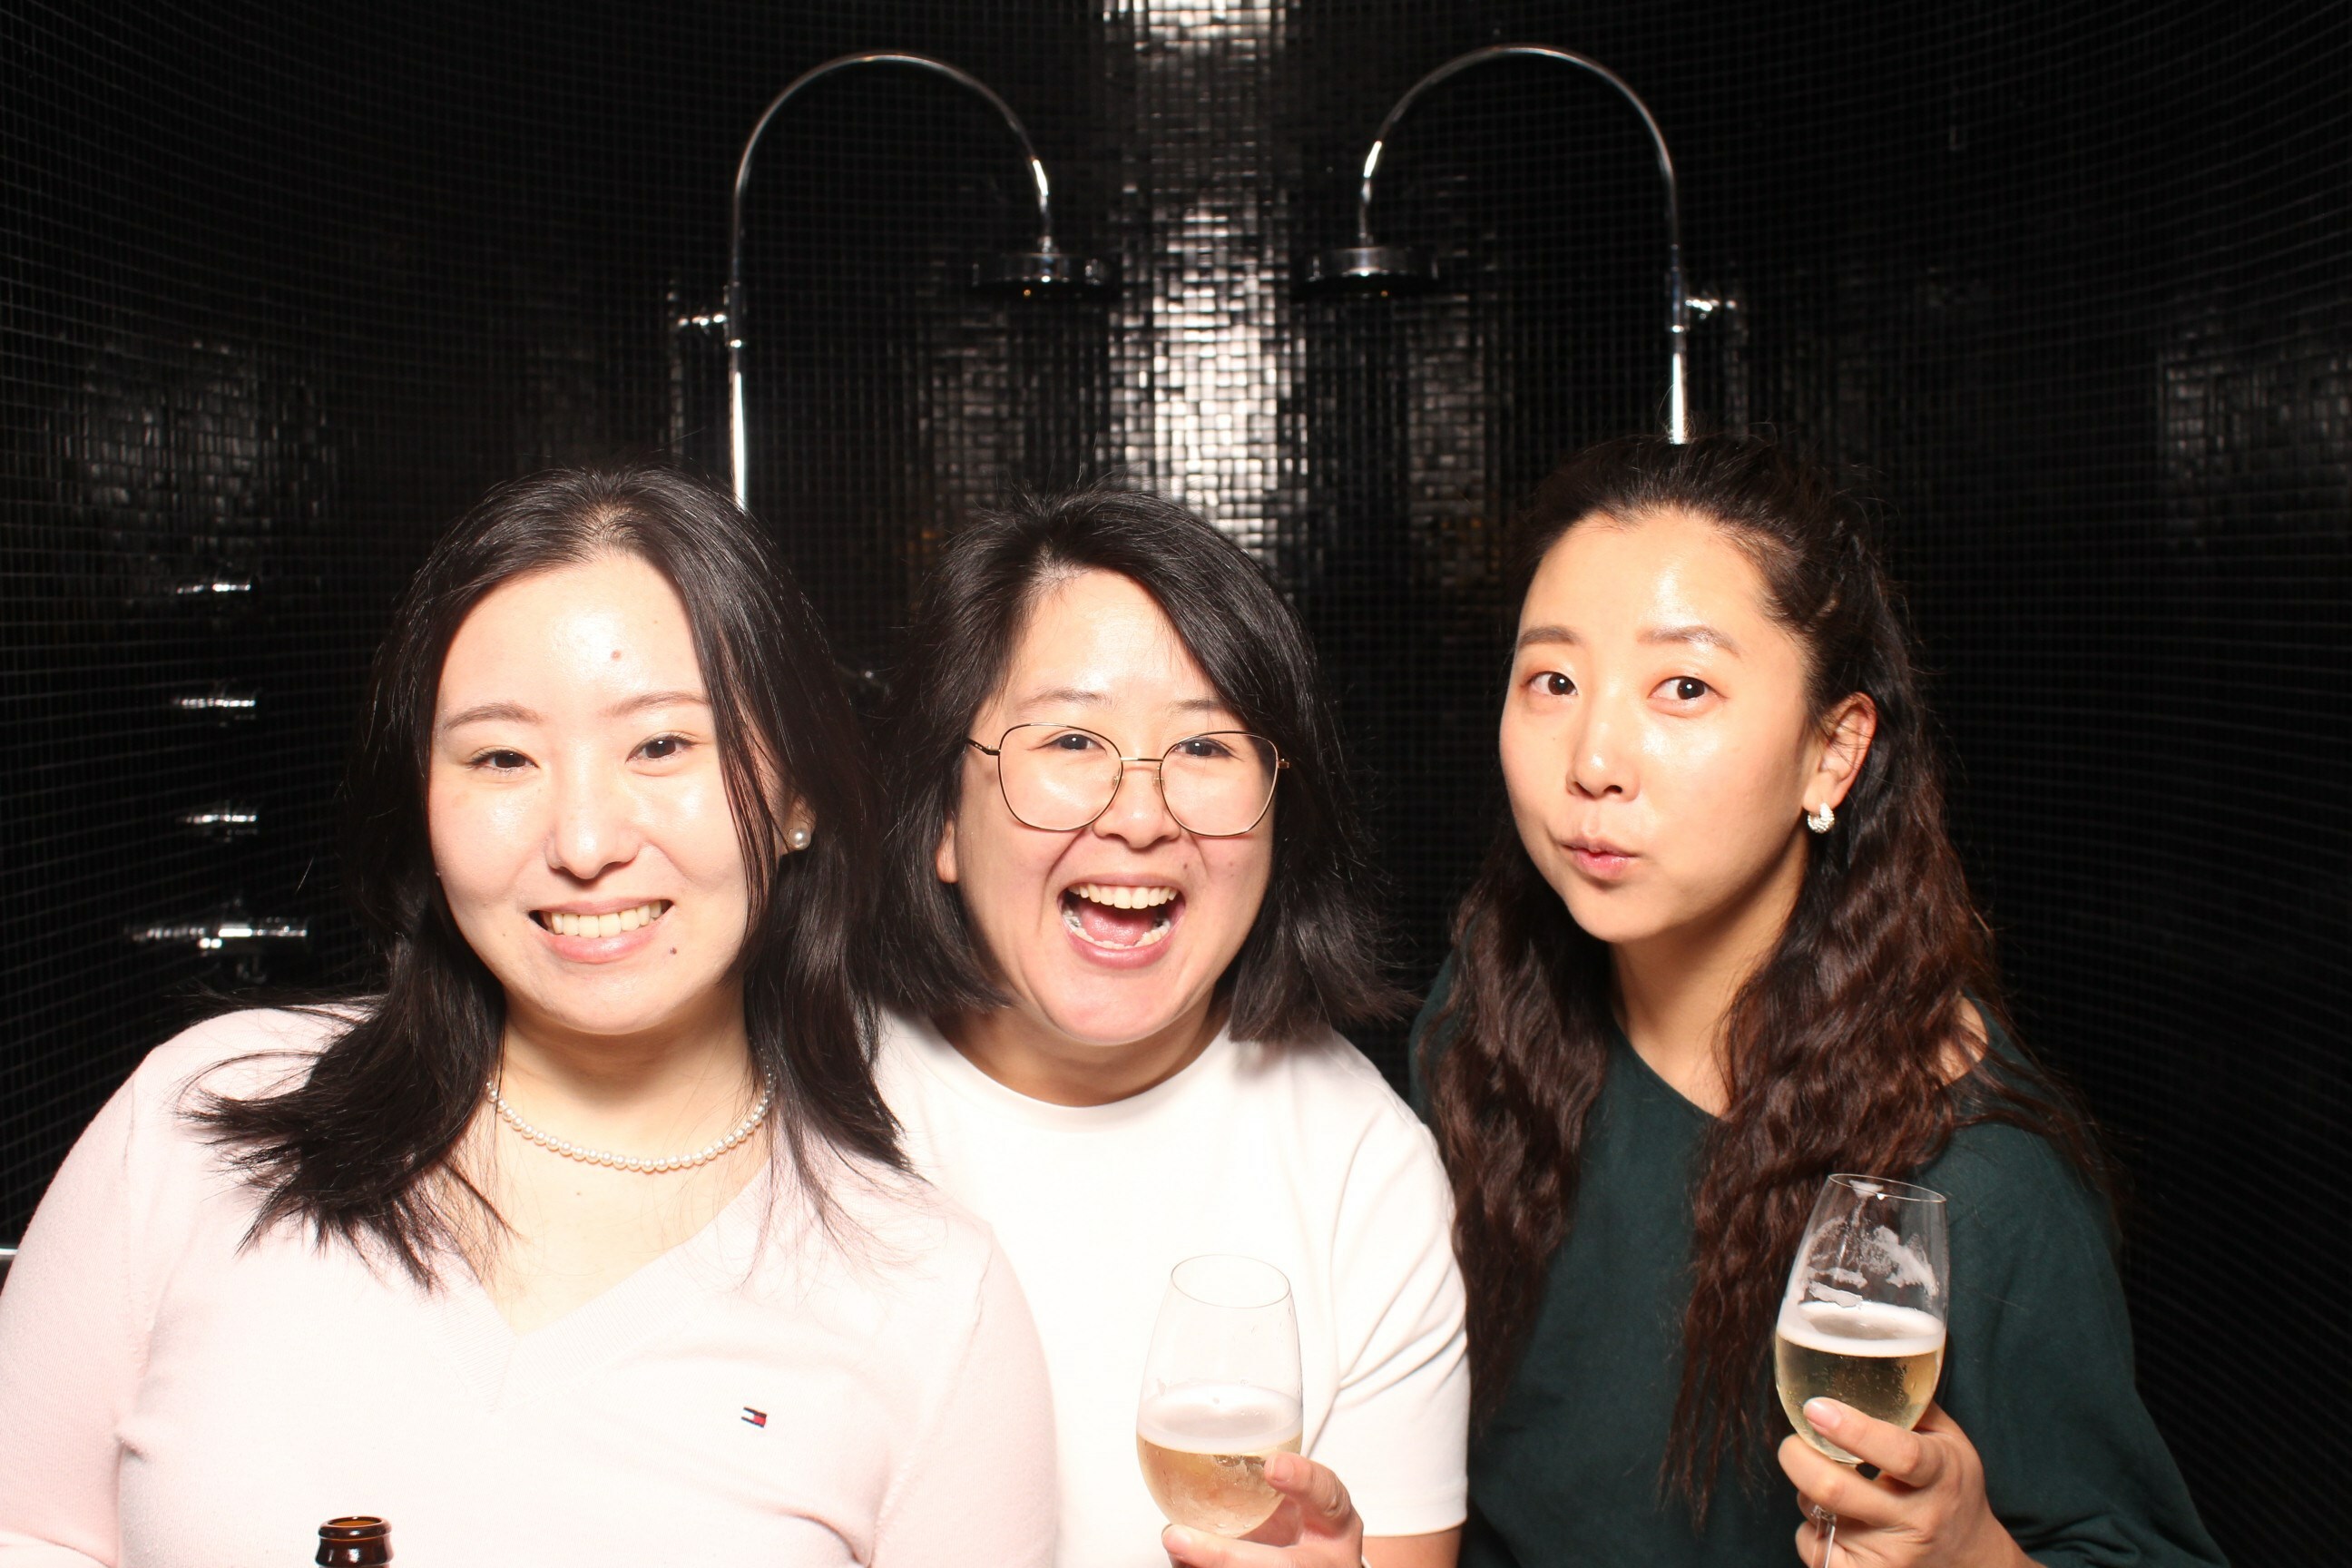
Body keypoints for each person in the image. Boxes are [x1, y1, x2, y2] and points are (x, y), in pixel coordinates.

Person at [0, 466, 1057, 1564]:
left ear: (797, 794)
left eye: (663, 746)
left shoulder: (929, 1295)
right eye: (502, 757)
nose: (585, 843)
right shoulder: (201, 1121)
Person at [1413, 435, 2225, 1567]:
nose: (1593, 759)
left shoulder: (1971, 1174)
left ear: (1832, 755)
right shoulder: (1490, 1007)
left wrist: (1974, 1553)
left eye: (1684, 688)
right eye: (1553, 682)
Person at [867, 484, 1469, 1568]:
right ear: (942, 818)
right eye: (1070, 739)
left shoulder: (1363, 1168)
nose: (1140, 816)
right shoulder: (805, 1101)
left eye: (1204, 749)